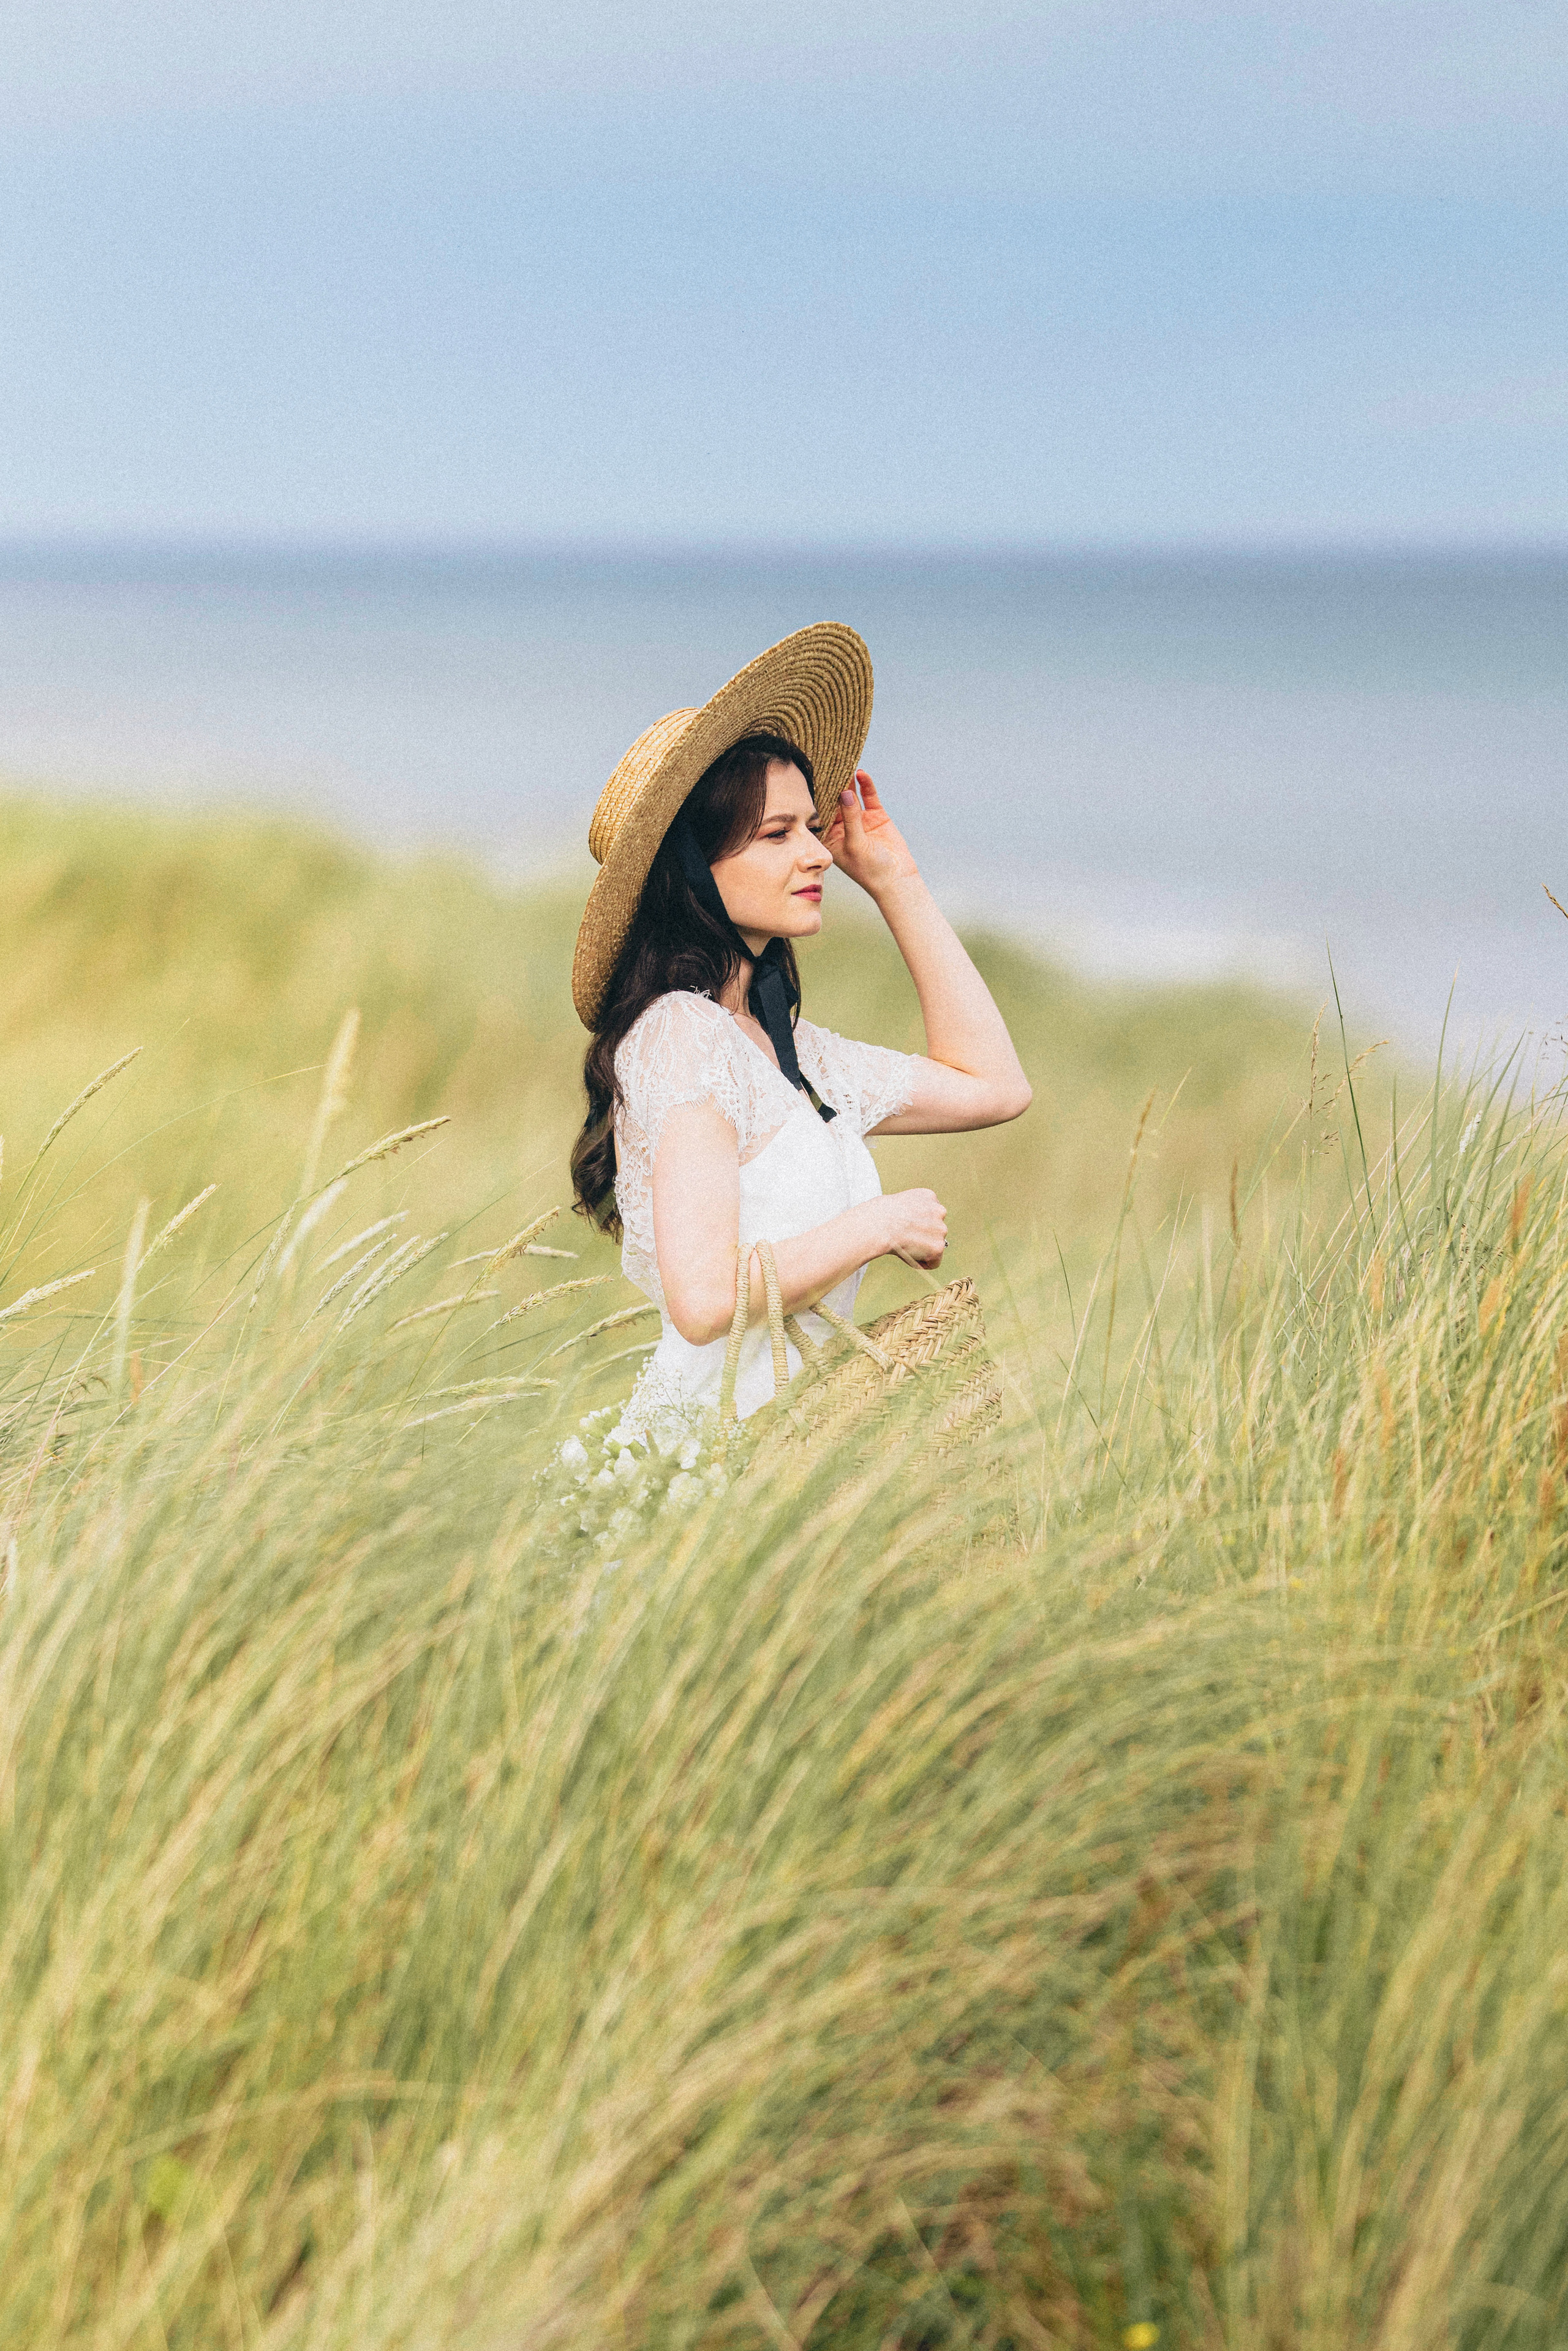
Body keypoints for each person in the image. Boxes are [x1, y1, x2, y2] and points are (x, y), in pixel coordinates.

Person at [569, 623, 1030, 1442]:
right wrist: (877, 1225)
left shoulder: (790, 1055)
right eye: (779, 834)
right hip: (704, 1462)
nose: (819, 853)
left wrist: (897, 881)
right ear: (692, 868)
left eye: (813, 827)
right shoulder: (683, 1037)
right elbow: (705, 1302)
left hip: (780, 1461)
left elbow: (997, 1086)